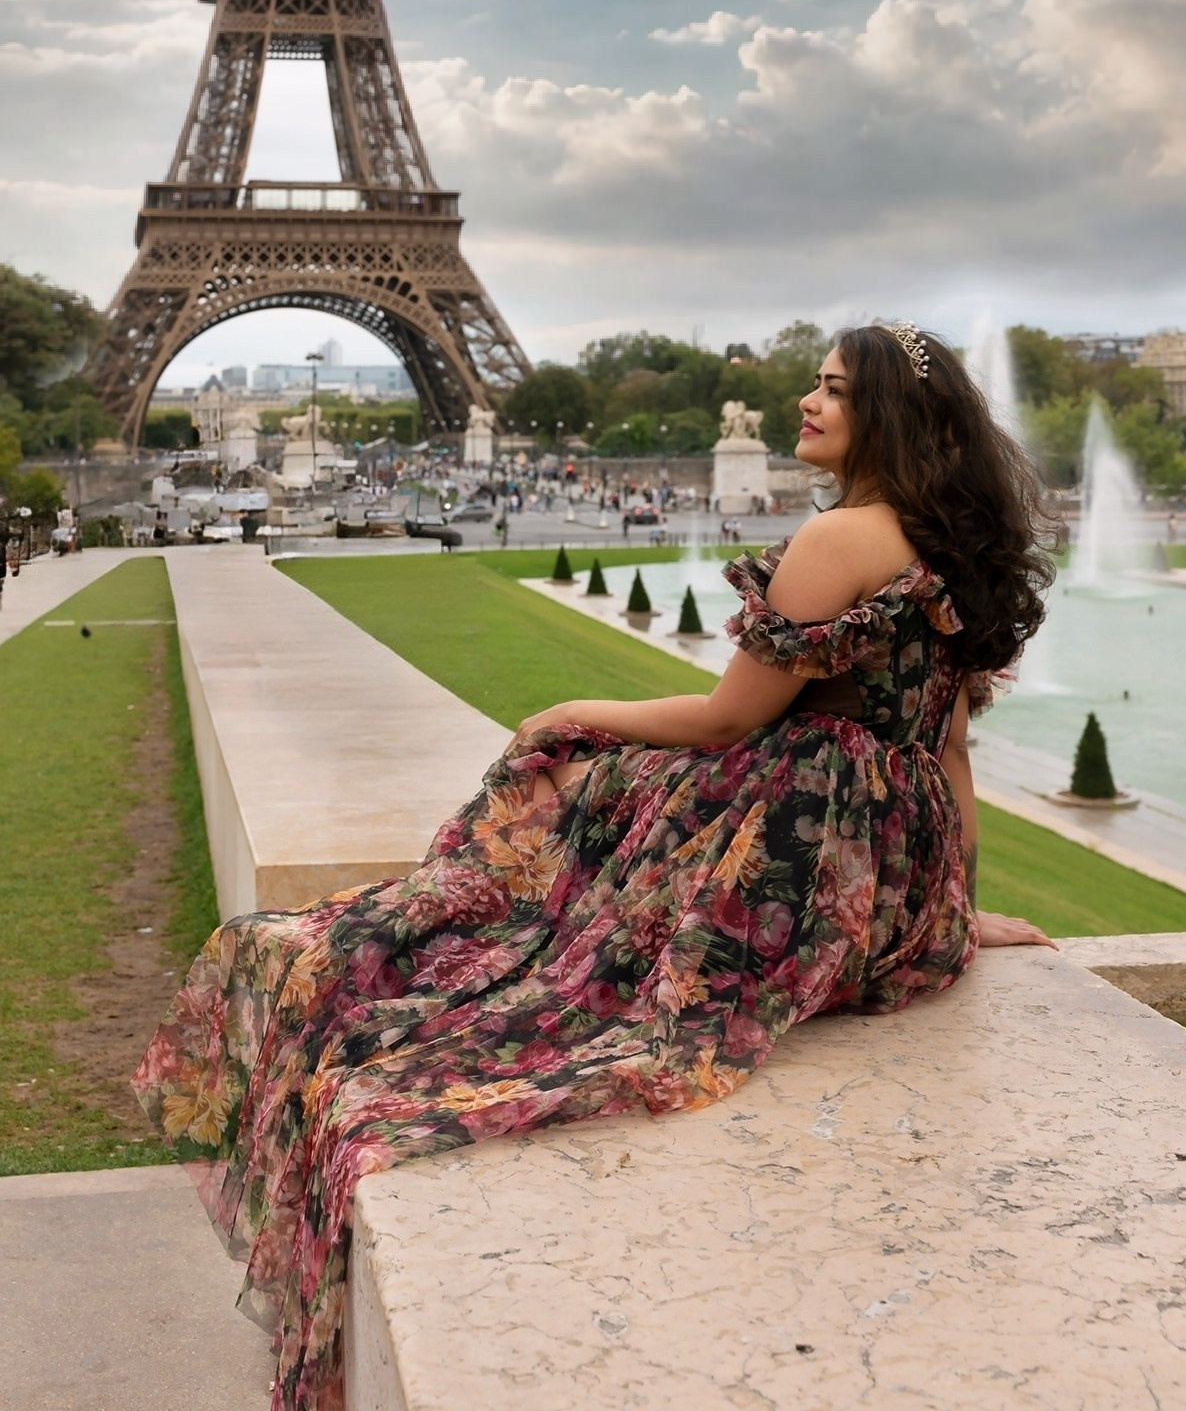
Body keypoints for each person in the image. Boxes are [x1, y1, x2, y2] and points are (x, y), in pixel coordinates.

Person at [133, 321, 1055, 1411]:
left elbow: (724, 721)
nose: (807, 402)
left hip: (793, 839)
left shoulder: (840, 539)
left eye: (834, 390)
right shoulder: (944, 537)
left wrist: (573, 710)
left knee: (548, 821)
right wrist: (947, 911)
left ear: (885, 417)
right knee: (565, 865)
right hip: (877, 872)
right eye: (813, 382)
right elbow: (948, 749)